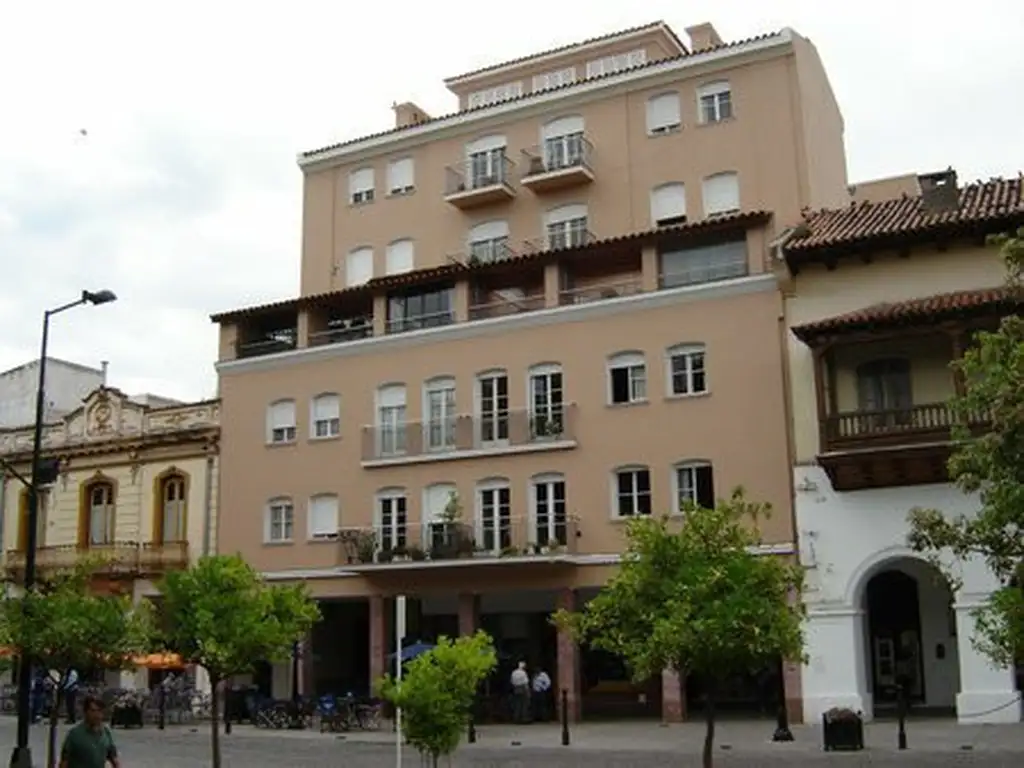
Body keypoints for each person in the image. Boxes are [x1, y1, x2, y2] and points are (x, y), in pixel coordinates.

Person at [59, 695, 119, 768]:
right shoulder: (75, 734)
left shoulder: (105, 733)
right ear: (85, 712)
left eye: (99, 711)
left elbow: (113, 757)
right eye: (93, 711)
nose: (96, 715)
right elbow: (64, 761)